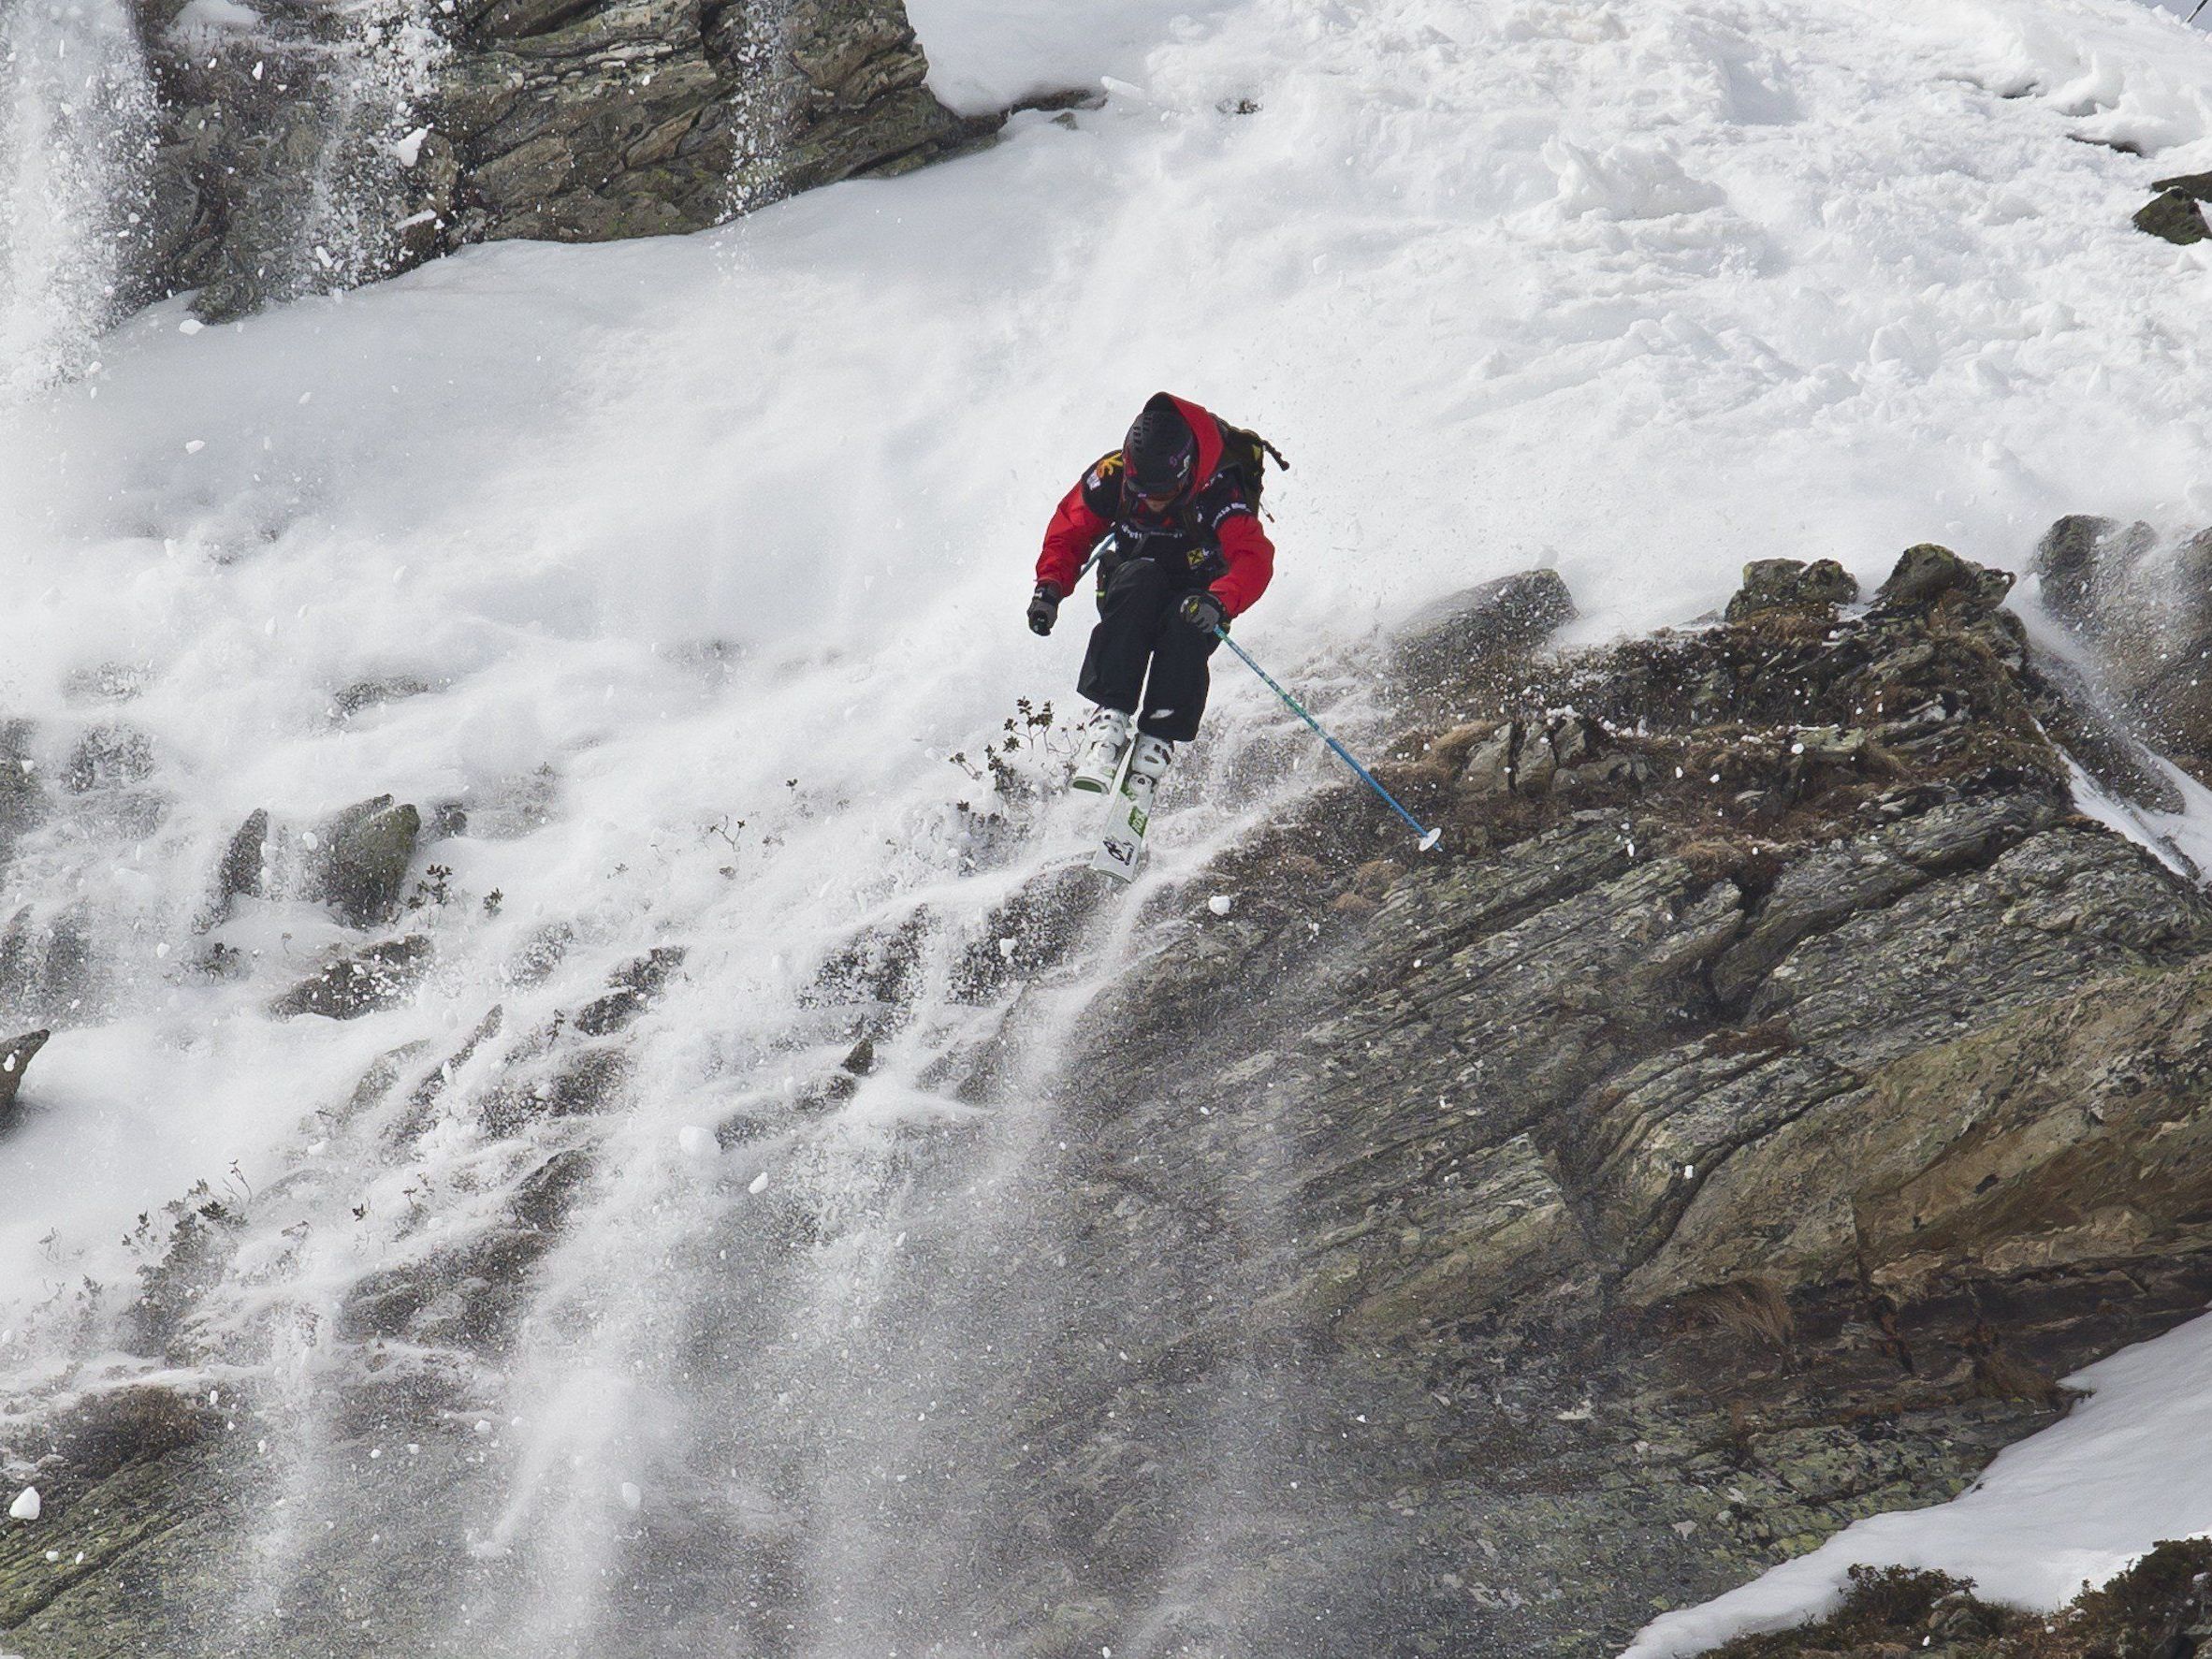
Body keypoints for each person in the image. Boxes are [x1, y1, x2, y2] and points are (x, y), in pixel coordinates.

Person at [1026, 392, 1277, 794]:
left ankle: (1158, 738)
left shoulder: (1218, 488)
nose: (1153, 504)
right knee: (1139, 579)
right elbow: (1069, 531)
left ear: (1185, 476)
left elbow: (1253, 557)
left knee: (1185, 616)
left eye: (1161, 495)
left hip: (1201, 598)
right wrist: (1049, 589)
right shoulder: (1112, 474)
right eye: (1143, 493)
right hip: (1133, 588)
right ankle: (1110, 716)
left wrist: (1221, 599)